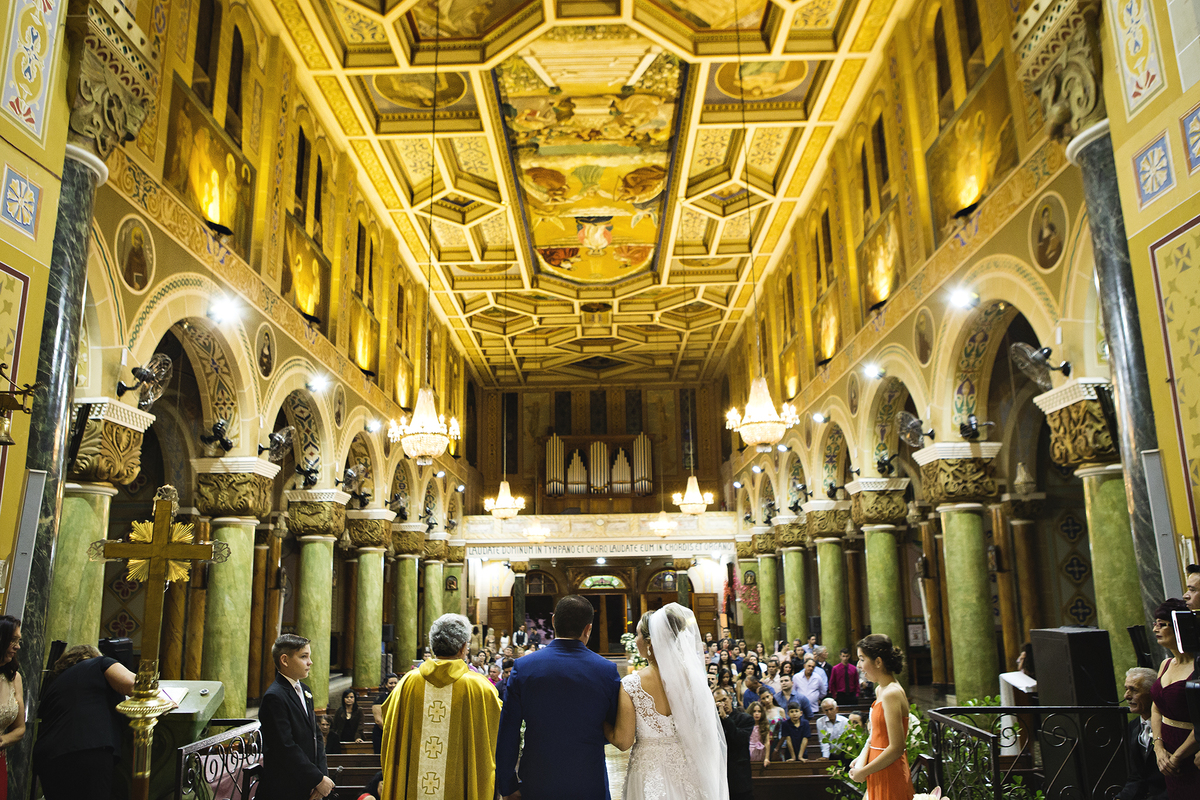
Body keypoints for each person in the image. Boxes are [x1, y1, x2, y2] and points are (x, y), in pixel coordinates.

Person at [496, 595, 622, 799]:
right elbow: (613, 727)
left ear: (553, 621)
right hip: (589, 779)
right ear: (588, 629)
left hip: (538, 779)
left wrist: (507, 784)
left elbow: (509, 731)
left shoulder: (525, 667)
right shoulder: (606, 671)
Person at [605, 604, 729, 799]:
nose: (635, 640)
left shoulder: (631, 684)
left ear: (649, 642)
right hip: (690, 769)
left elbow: (623, 741)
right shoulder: (693, 680)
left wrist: (601, 723)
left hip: (648, 772)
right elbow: (705, 732)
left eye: (637, 634)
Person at [380, 613, 501, 800]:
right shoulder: (480, 687)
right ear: (463, 648)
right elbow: (496, 736)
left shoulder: (407, 684)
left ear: (434, 646)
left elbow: (390, 730)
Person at [32, 643, 132, 800]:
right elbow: (135, 684)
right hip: (88, 750)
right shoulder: (99, 663)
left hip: (48, 759)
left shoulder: (57, 684)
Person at [258, 634, 333, 800]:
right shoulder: (275, 697)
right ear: (285, 660)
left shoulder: (306, 691)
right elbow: (285, 746)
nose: (310, 662)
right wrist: (317, 779)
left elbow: (316, 736)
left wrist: (321, 778)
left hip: (308, 783)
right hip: (286, 787)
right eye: (304, 656)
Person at [847, 634, 912, 800]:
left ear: (878, 662)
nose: (859, 666)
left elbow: (897, 747)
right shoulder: (880, 690)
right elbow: (875, 736)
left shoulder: (892, 693)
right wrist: (862, 758)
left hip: (890, 769)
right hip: (878, 764)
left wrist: (864, 771)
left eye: (862, 659)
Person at [1149, 598, 1199, 796]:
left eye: (1162, 624)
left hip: (1192, 751)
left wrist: (1177, 757)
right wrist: (1159, 747)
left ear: (1179, 627)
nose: (1155, 629)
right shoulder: (1166, 664)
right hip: (1167, 753)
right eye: (1155, 624)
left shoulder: (1198, 667)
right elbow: (1155, 708)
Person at [1118, 666, 1168, 800]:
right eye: (1126, 689)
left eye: (1133, 690)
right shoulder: (1133, 727)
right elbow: (1137, 777)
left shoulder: (1170, 726)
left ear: (1153, 693)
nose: (1126, 696)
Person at [714, 689, 755, 800]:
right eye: (718, 702)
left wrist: (725, 718)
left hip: (739, 777)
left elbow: (740, 738)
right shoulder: (713, 723)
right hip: (720, 776)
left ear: (730, 699)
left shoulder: (745, 718)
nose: (723, 704)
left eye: (724, 700)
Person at [0, 617, 22, 798]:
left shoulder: (14, 678)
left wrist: (2, 741)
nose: (17, 646)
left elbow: (20, 729)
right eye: (13, 640)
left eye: (18, 641)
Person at [372, 673, 399, 755]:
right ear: (386, 685)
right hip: (382, 733)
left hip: (398, 733)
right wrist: (390, 731)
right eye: (391, 683)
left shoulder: (402, 696)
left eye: (395, 683)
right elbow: (378, 720)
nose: (393, 685)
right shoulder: (380, 698)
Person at [747, 702, 772, 766]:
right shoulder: (747, 725)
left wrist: (766, 758)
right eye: (754, 711)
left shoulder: (764, 725)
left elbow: (767, 742)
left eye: (759, 711)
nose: (757, 714)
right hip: (749, 752)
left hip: (760, 751)